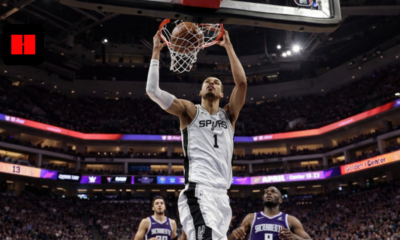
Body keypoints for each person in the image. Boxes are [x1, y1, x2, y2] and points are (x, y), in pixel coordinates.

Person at [146, 28, 247, 240]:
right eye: (207, 81)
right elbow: (152, 91)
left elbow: (242, 84)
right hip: (198, 192)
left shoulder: (229, 115)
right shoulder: (189, 111)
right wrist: (156, 51)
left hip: (222, 196)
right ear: (200, 92)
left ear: (222, 93)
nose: (211, 82)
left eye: (216, 82)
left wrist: (228, 46)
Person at [228, 187, 311, 240]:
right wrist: (234, 233)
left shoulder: (290, 220)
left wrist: (294, 237)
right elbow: (233, 238)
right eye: (266, 192)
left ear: (280, 200)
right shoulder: (251, 217)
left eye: (273, 192)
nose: (269, 193)